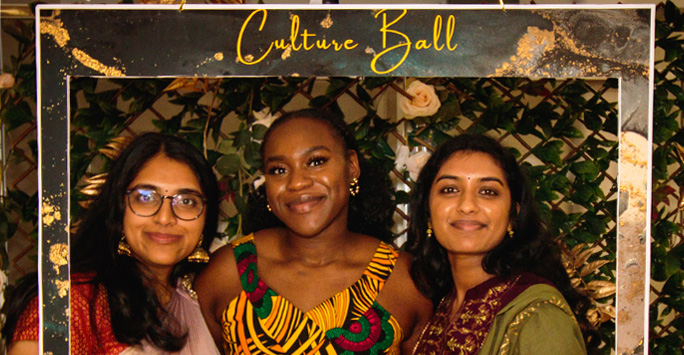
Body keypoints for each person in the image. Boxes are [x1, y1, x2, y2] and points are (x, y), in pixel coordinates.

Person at [195, 108, 433, 354]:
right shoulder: (229, 272)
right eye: (278, 170)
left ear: (351, 166)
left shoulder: (404, 280)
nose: (297, 182)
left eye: (316, 162)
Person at [2, 133, 221, 354]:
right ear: (119, 208)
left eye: (186, 201)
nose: (165, 218)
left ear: (205, 216)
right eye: (145, 197)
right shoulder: (71, 303)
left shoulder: (198, 295)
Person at [406, 134, 595, 354]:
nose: (467, 206)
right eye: (449, 189)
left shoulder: (538, 314)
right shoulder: (440, 306)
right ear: (428, 211)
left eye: (488, 192)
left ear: (513, 215)